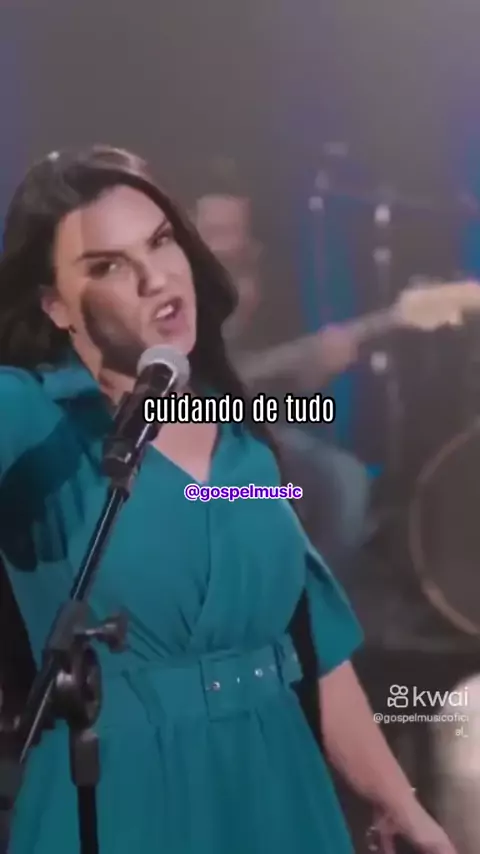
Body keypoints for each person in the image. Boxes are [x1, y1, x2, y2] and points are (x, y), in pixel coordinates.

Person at [0, 145, 456, 854]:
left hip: (281, 794)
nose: (155, 278)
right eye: (108, 265)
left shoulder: (242, 442)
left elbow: (312, 646)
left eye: (161, 241)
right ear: (55, 305)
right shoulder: (32, 417)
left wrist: (400, 804)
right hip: (117, 805)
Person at [194, 173, 370, 571]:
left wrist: (318, 371)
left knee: (345, 479)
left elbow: (284, 392)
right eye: (213, 232)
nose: (223, 245)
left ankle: (313, 591)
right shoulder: (165, 285)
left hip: (254, 425)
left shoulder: (268, 288)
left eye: (233, 232)